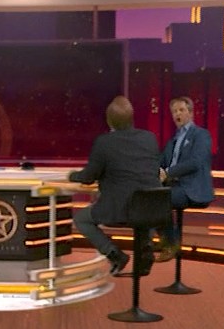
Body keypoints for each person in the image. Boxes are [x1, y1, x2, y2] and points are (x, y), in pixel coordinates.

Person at [68, 95, 162, 276]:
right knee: (143, 213)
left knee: (81, 219)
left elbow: (88, 177)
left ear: (109, 121)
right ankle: (146, 248)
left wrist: (72, 175)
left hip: (119, 208)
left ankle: (114, 254)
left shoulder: (104, 142)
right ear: (132, 118)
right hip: (152, 207)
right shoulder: (149, 138)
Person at [157, 96, 214, 257]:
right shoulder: (172, 141)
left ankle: (170, 243)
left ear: (190, 112)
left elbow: (196, 162)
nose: (177, 114)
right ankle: (167, 240)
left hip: (192, 188)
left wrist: (168, 173)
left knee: (159, 199)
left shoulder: (201, 135)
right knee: (147, 196)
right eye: (174, 111)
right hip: (174, 186)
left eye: (181, 110)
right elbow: (160, 162)